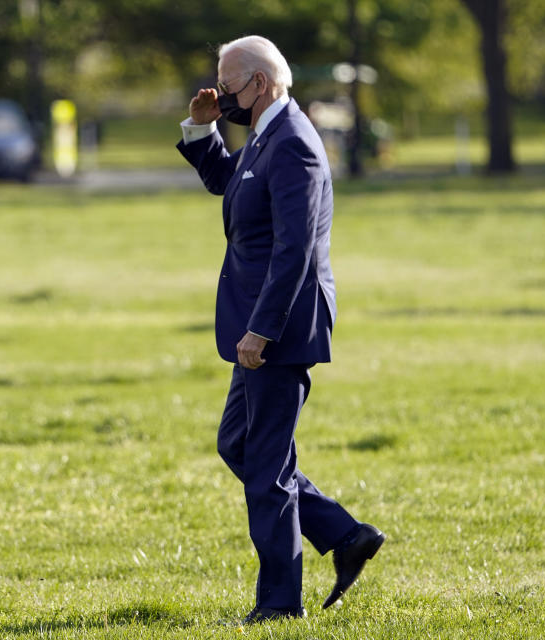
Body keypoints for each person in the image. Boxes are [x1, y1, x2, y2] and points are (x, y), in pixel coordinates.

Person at [176, 35, 385, 624]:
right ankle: (345, 536)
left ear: (259, 84)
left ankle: (278, 606)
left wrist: (262, 332)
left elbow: (293, 252)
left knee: (264, 465)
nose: (222, 95)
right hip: (261, 324)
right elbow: (229, 183)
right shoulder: (266, 135)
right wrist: (201, 130)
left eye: (228, 85)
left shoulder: (293, 145)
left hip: (281, 328)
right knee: (240, 445)